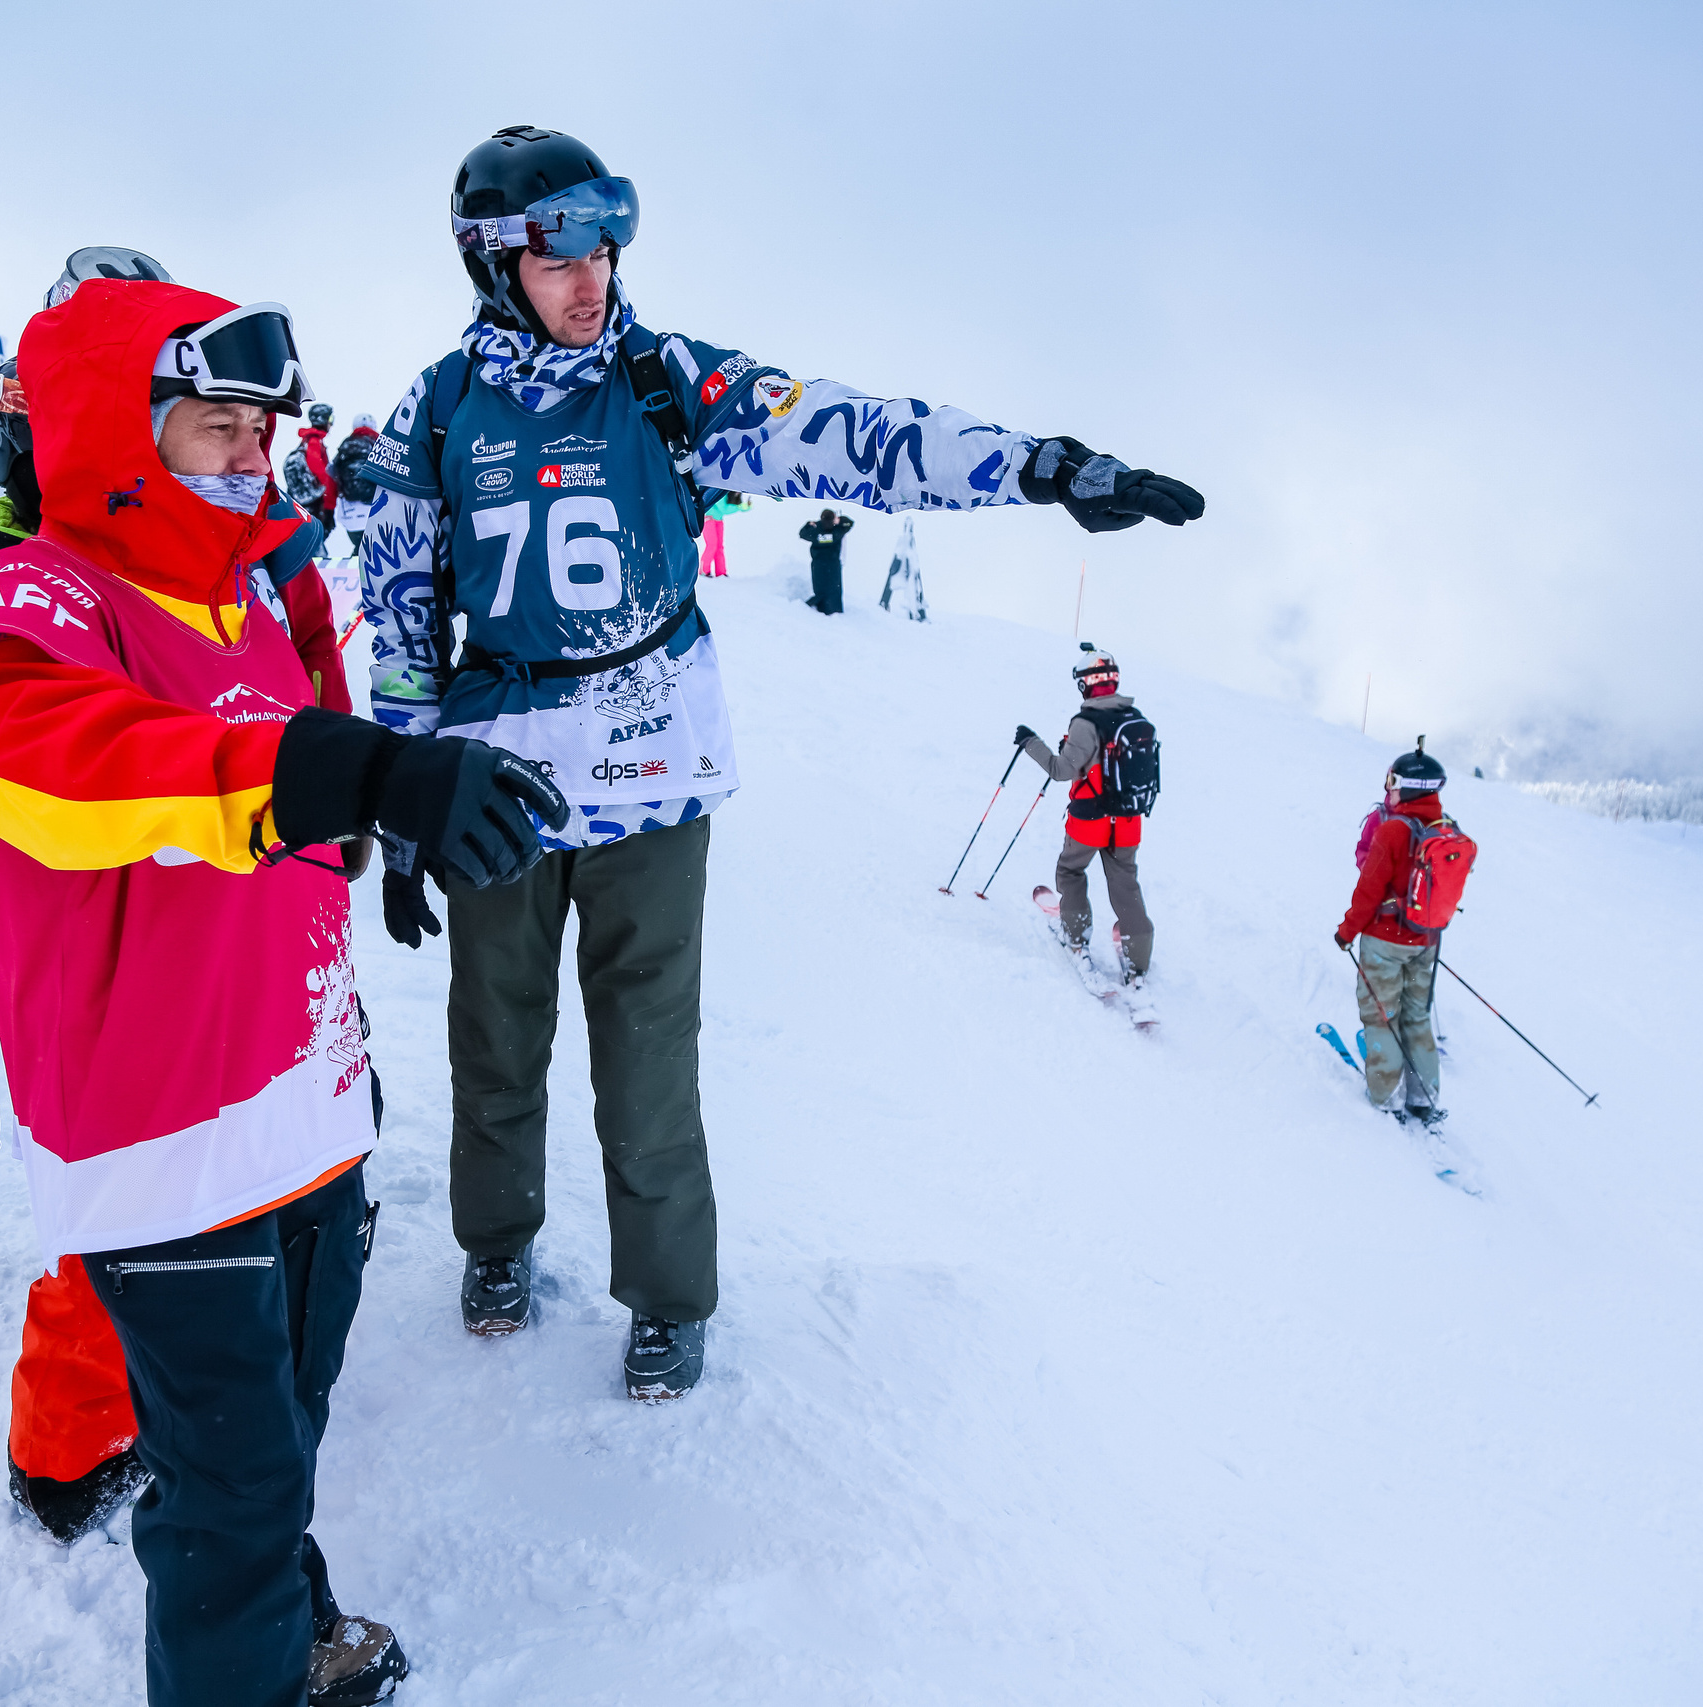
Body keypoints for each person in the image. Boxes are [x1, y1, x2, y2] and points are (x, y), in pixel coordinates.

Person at [354, 125, 1204, 1401]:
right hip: (499, 777)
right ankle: (498, 1243)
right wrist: (407, 796)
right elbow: (407, 614)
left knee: (647, 1049)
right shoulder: (437, 410)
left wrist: (1035, 467)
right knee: (495, 1034)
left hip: (649, 767)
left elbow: (853, 435)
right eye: (560, 246)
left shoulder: (666, 383)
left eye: (609, 235)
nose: (594, 272)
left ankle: (667, 1297)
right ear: (491, 259)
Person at [0, 275, 565, 1706]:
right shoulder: (29, 599)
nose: (246, 460)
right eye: (213, 428)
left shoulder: (252, 592)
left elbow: (307, 771)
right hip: (164, 1133)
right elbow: (67, 763)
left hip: (302, 1098)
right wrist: (344, 773)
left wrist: (384, 815)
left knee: (277, 1429)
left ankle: (289, 1629)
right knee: (229, 1478)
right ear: (112, 429)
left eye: (255, 434)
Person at [0, 248, 356, 1549]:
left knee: (195, 1202)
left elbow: (296, 635)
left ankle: (179, 1426)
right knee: (128, 1205)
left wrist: (339, 779)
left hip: (231, 876)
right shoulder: (7, 567)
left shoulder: (242, 537)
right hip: (72, 892)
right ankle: (67, 1447)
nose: (238, 446)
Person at [1015, 645, 1155, 985]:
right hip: (1127, 820)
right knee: (1125, 885)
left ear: (1087, 685)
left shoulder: (1086, 722)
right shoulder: (1136, 720)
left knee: (1071, 870)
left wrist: (1030, 742)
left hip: (1089, 818)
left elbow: (1061, 770)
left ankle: (1076, 938)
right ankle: (1138, 962)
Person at [1335, 741, 1457, 1120]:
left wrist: (1346, 932)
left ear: (1406, 786)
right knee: (1417, 1016)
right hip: (1427, 938)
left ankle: (1385, 1096)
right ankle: (1423, 1097)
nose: (1387, 789)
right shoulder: (1445, 829)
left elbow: (1368, 891)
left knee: (1382, 1015)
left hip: (1386, 940)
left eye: (1392, 782)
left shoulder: (1391, 831)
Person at [285, 400, 339, 538]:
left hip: (306, 501)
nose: (331, 424)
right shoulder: (314, 442)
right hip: (314, 505)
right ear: (323, 420)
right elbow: (321, 474)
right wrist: (328, 506)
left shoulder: (308, 441)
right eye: (330, 419)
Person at [330, 413, 382, 553]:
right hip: (373, 509)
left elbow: (331, 472)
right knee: (375, 550)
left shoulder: (345, 446)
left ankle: (352, 571)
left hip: (349, 514)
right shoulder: (376, 444)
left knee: (359, 549)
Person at [798, 507, 853, 612]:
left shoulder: (816, 529)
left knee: (821, 589)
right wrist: (840, 520)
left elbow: (802, 534)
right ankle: (833, 610)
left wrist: (809, 524)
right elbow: (849, 523)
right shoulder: (838, 529)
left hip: (819, 563)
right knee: (834, 589)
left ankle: (819, 608)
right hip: (833, 563)